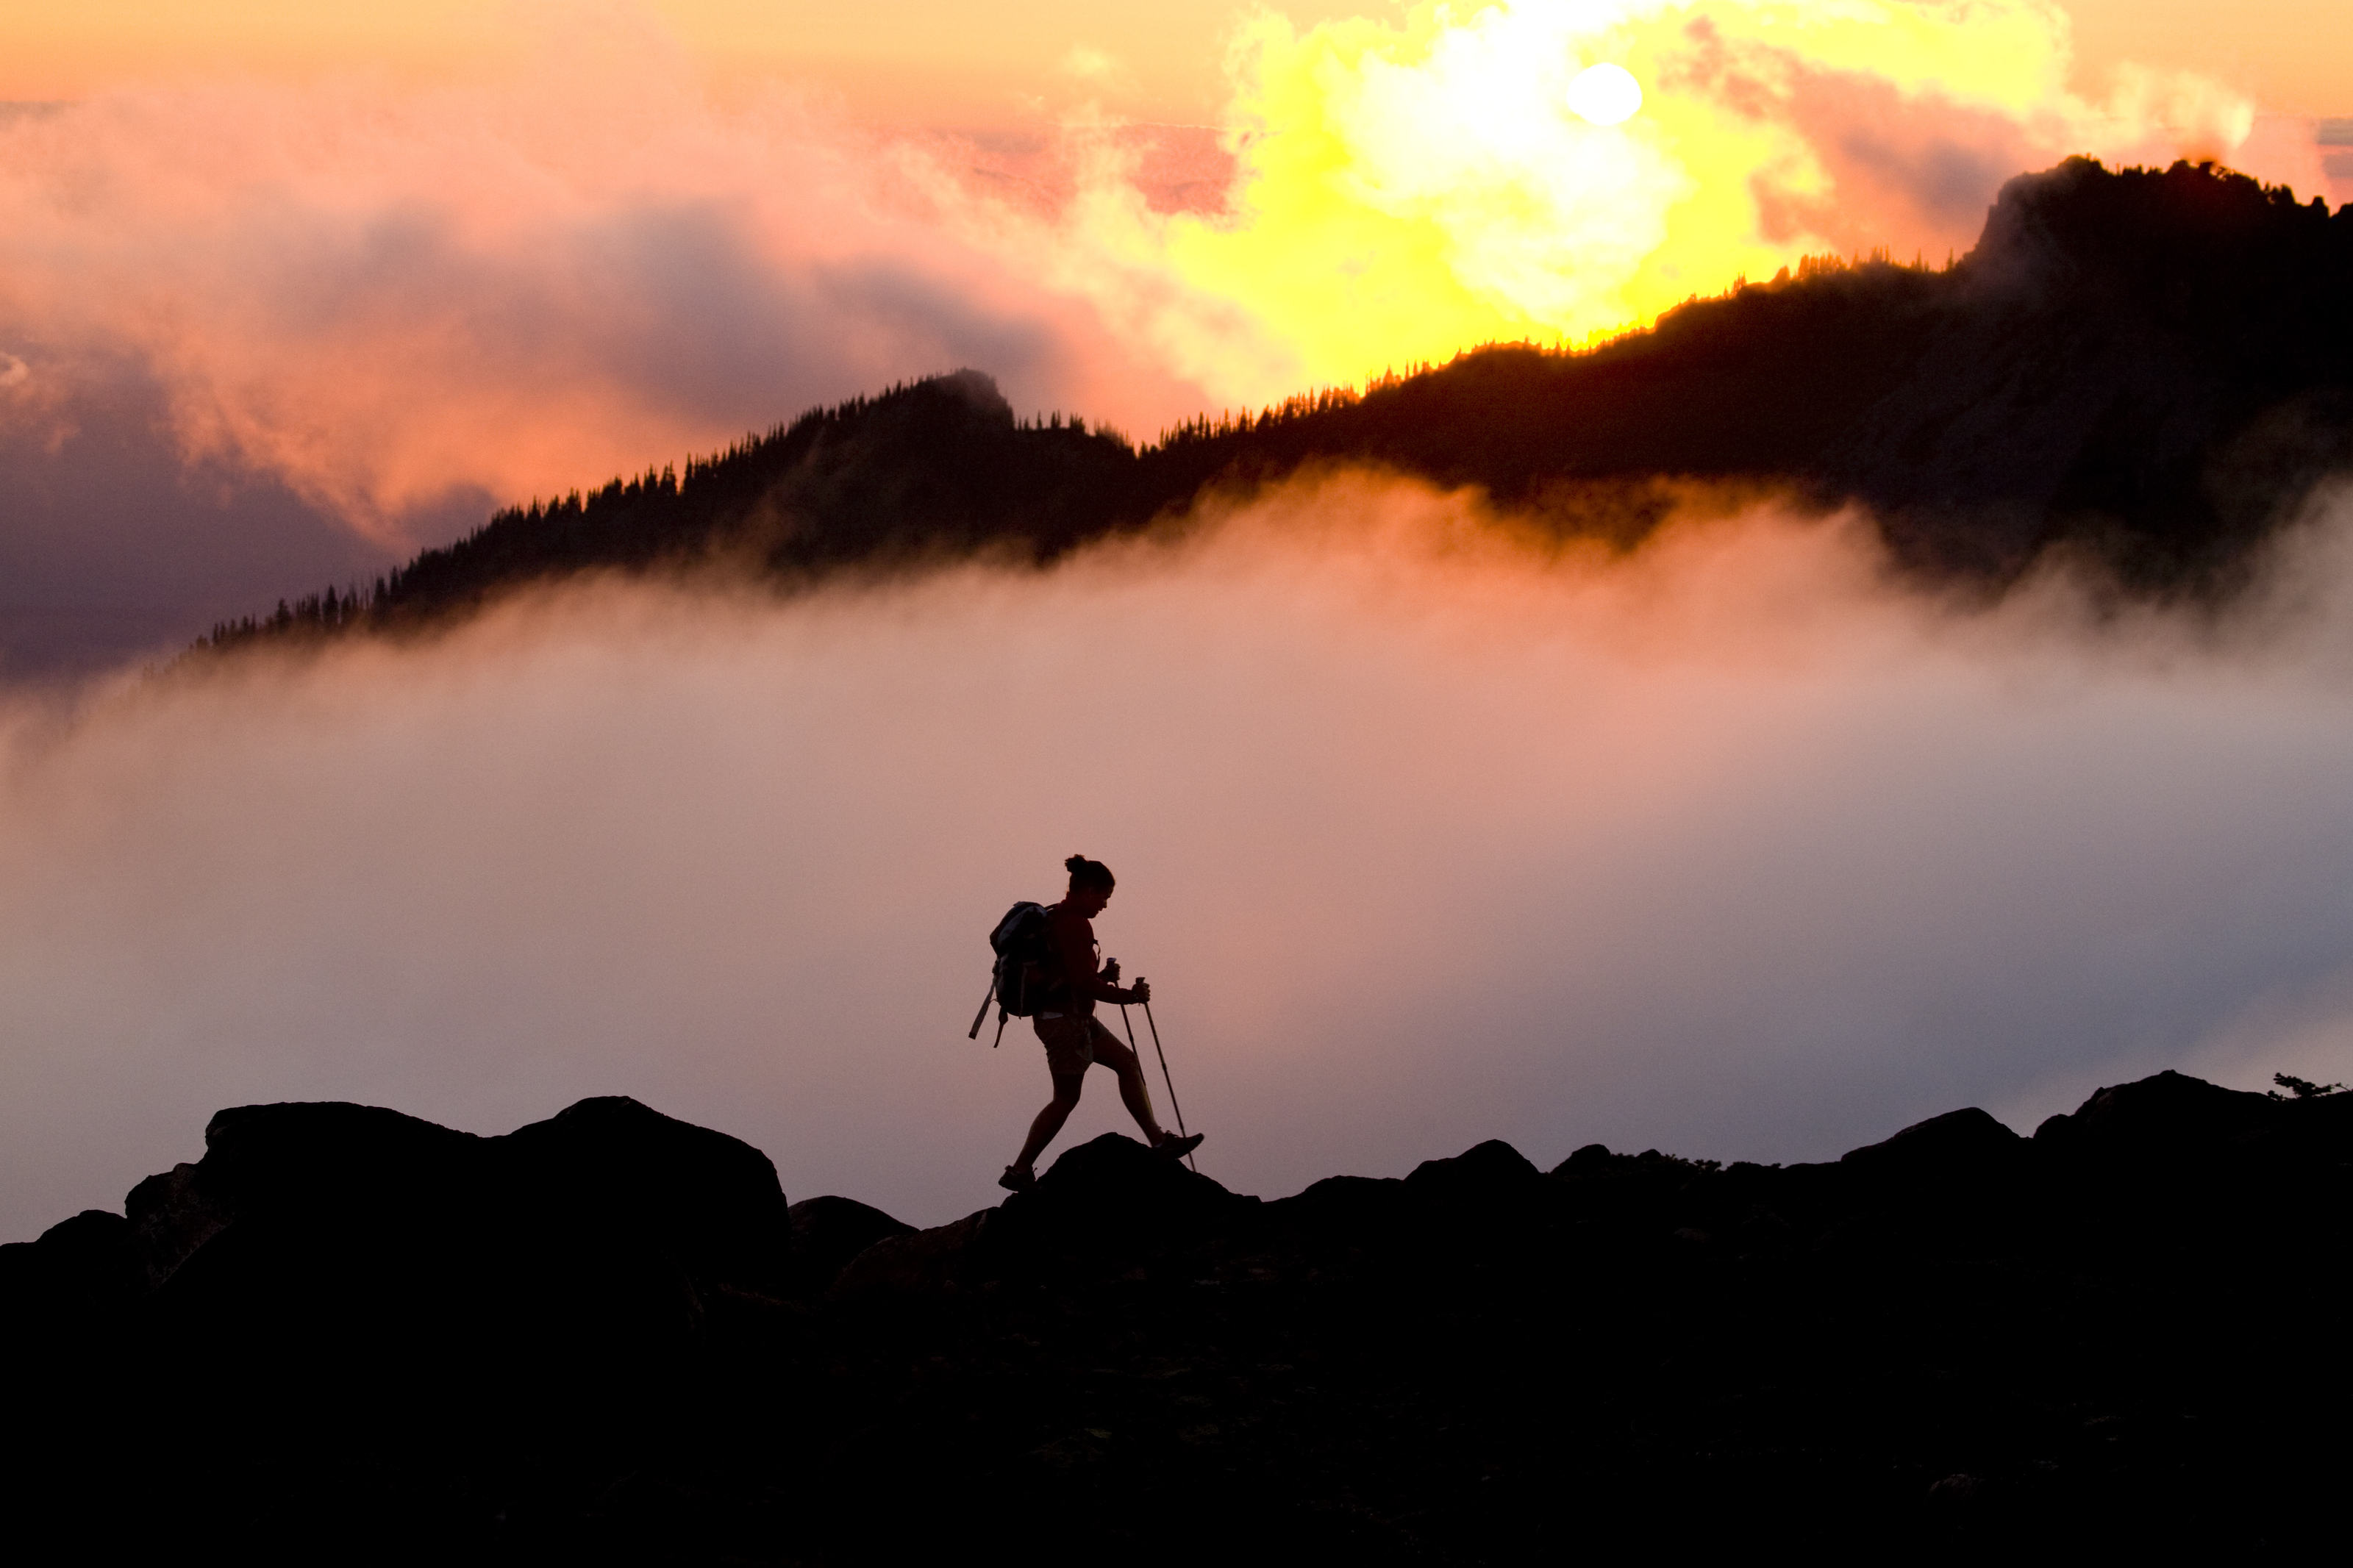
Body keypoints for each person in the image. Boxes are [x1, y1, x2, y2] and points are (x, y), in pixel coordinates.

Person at [1001, 855, 1204, 1192]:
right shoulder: (1075, 924)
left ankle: (1158, 1142)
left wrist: (1103, 976)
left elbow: (1070, 975)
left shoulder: (1057, 917)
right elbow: (1083, 984)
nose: (1105, 905)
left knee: (1127, 1062)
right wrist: (1130, 996)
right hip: (1065, 1024)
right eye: (1104, 897)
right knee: (1065, 1099)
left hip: (1071, 1019)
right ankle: (1019, 1170)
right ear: (1089, 891)